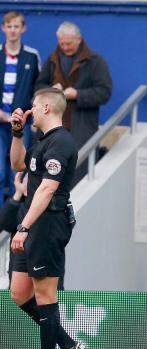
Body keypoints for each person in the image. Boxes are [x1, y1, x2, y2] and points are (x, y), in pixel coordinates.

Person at [9, 87, 84, 349]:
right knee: (19, 292)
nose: (29, 111)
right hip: (33, 222)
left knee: (44, 295)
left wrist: (24, 227)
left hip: (48, 222)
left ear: (46, 109)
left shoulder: (62, 142)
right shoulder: (42, 141)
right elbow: (17, 164)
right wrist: (17, 133)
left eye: (33, 106)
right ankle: (68, 346)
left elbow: (48, 187)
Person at [35, 21, 112, 181]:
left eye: (68, 43)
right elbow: (38, 87)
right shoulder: (52, 60)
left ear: (79, 39)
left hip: (81, 129)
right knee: (47, 175)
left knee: (77, 175)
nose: (65, 47)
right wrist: (51, 89)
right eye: (61, 43)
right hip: (52, 128)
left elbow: (104, 92)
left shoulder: (95, 61)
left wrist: (77, 94)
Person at [0, 11, 40, 205]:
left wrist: (30, 114)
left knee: (16, 173)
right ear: (3, 28)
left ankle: (13, 219)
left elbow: (38, 87)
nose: (13, 30)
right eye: (9, 26)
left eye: (17, 26)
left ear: (23, 28)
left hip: (20, 123)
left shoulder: (31, 56)